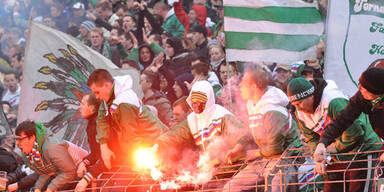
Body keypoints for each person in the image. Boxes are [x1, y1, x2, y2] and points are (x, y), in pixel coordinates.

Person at [287, 77, 381, 192]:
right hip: (337, 156)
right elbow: (311, 138)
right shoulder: (300, 113)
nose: (298, 108)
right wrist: (318, 157)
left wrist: (333, 148)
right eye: (294, 104)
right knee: (331, 187)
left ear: (310, 95)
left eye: (299, 103)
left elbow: (355, 131)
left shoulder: (333, 101)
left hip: (363, 150)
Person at [224, 65, 301, 192]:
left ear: (254, 86)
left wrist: (256, 153)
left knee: (274, 185)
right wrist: (238, 147)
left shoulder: (272, 109)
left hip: (286, 157)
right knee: (231, 187)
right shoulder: (253, 104)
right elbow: (250, 128)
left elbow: (275, 147)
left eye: (243, 85)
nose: (240, 87)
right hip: (265, 157)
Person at [86, 69, 168, 169]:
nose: (96, 97)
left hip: (155, 143)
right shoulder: (109, 94)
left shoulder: (125, 102)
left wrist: (134, 163)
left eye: (97, 92)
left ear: (107, 85)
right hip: (142, 144)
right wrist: (103, 145)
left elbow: (130, 137)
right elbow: (101, 119)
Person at [315, 66, 384, 162]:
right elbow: (343, 119)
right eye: (360, 83)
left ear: (377, 92)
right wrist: (323, 142)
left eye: (364, 87)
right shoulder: (362, 96)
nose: (359, 87)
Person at [15, 120, 88, 192]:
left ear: (32, 138)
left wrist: (50, 188)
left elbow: (70, 171)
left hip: (82, 169)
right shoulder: (35, 149)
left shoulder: (50, 147)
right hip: (65, 172)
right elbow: (47, 172)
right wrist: (38, 188)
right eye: (16, 139)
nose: (17, 143)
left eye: (20, 139)